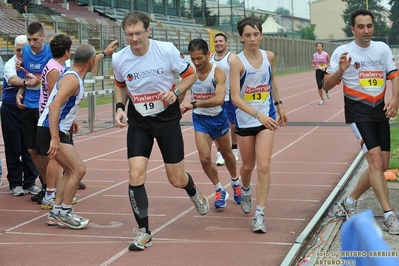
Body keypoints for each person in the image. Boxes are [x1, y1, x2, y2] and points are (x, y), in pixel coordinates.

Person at [112, 10, 209, 251]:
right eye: (129, 35)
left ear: (148, 31)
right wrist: (119, 107)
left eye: (137, 34)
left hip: (167, 120)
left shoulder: (165, 50)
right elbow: (120, 86)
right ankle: (144, 232)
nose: (134, 39)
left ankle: (193, 189)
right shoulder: (120, 59)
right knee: (135, 175)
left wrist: (175, 92)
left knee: (176, 179)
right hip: (139, 122)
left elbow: (191, 75)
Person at [324, 8, 399, 235]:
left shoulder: (382, 48)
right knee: (375, 162)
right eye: (361, 26)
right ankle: (389, 215)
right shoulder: (342, 51)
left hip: (379, 110)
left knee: (382, 165)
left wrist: (395, 98)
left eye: (369, 26)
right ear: (352, 29)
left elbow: (394, 75)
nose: (366, 30)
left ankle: (350, 200)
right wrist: (341, 70)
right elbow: (326, 85)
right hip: (358, 111)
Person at [229, 16, 287, 233]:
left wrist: (279, 105)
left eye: (256, 34)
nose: (252, 39)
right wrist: (256, 114)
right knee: (247, 166)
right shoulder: (236, 61)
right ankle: (245, 190)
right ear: (241, 37)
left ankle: (260, 214)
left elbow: (271, 82)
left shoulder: (269, 57)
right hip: (245, 120)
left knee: (263, 166)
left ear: (261, 35)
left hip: (267, 119)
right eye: (247, 35)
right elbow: (235, 97)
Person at [36, 43, 99, 229]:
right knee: (78, 170)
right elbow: (54, 106)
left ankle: (55, 212)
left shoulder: (73, 73)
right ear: (90, 61)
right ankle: (65, 213)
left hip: (55, 128)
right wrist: (54, 138)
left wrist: (69, 119)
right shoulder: (73, 79)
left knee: (71, 171)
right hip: (50, 130)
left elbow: (61, 105)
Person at [181, 38, 240, 208]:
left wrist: (193, 105)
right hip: (200, 119)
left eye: (199, 58)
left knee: (227, 154)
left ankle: (235, 183)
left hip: (217, 118)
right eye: (193, 59)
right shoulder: (190, 72)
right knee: (205, 158)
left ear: (208, 54)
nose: (196, 62)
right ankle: (220, 189)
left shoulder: (218, 72)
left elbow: (219, 99)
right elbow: (183, 91)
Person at [16, 22, 53, 197]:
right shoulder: (25, 52)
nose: (32, 43)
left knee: (44, 150)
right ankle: (46, 185)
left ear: (43, 37)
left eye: (35, 39)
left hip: (44, 107)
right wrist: (20, 91)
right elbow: (26, 75)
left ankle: (52, 187)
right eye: (29, 39)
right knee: (31, 150)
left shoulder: (50, 52)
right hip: (28, 105)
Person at [2, 35, 38, 196]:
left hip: (28, 109)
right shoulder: (10, 64)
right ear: (14, 50)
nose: (21, 53)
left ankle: (30, 182)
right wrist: (25, 82)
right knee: (13, 147)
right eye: (18, 50)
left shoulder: (33, 63)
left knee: (29, 147)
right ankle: (15, 183)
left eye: (25, 50)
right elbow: (12, 79)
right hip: (10, 109)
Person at [210, 33, 240, 167]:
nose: (218, 43)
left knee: (233, 125)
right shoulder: (210, 58)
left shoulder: (231, 58)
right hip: (216, 98)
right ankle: (219, 152)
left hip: (229, 97)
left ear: (226, 43)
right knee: (217, 126)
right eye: (216, 41)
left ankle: (234, 149)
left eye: (221, 41)